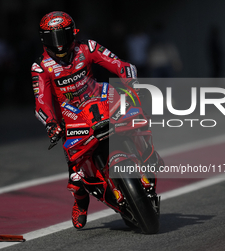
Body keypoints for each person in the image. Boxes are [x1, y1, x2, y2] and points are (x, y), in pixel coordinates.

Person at [31, 11, 143, 229]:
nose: (60, 45)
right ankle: (81, 204)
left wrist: (130, 79)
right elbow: (41, 102)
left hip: (100, 100)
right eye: (54, 39)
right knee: (76, 174)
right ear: (44, 40)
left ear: (73, 33)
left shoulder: (88, 48)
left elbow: (119, 64)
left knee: (135, 123)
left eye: (63, 37)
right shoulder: (40, 66)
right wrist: (51, 123)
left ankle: (144, 162)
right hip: (71, 117)